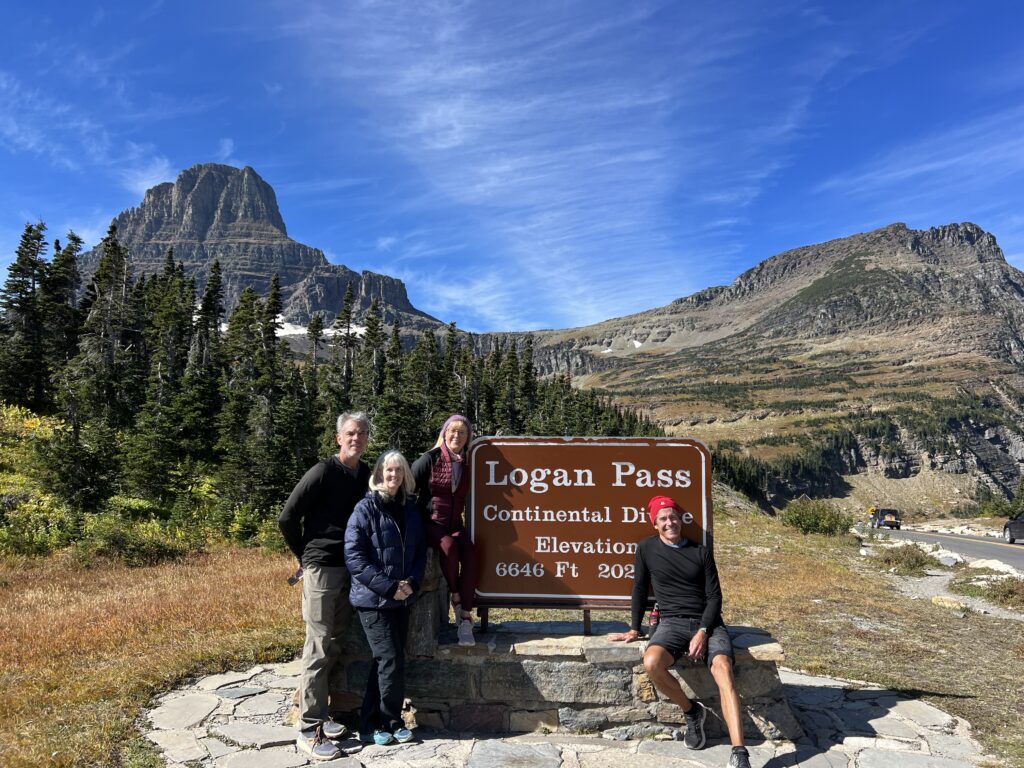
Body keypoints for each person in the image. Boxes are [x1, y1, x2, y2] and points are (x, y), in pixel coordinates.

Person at [610, 495, 753, 768]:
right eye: (663, 518)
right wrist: (633, 627)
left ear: (681, 519)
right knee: (652, 662)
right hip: (672, 622)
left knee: (722, 668)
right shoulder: (646, 549)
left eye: (673, 517)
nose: (669, 522)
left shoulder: (700, 552)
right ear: (655, 524)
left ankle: (739, 753)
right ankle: (692, 712)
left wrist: (702, 631)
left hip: (708, 623)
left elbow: (714, 598)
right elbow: (639, 589)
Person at [278, 412, 372, 761]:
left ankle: (324, 713)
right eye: (350, 433)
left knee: (335, 642)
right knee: (317, 644)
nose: (356, 438)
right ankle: (308, 729)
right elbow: (287, 517)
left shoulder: (364, 474)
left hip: (350, 568)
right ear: (338, 438)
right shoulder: (322, 471)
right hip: (321, 568)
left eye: (362, 433)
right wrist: (306, 556)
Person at [345, 450, 427, 747]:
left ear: (405, 475)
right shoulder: (365, 509)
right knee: (389, 660)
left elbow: (419, 551)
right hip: (373, 600)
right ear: (379, 474)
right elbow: (354, 557)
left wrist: (413, 583)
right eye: (388, 470)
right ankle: (381, 723)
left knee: (388, 662)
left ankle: (377, 723)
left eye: (399, 471)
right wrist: (389, 587)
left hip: (402, 597)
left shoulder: (410, 507)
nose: (394, 476)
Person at [411, 414, 479, 646]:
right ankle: (456, 597)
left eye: (462, 432)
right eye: (453, 431)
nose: (456, 436)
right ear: (444, 433)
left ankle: (466, 617)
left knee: (470, 552)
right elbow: (408, 487)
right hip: (431, 524)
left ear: (468, 437)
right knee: (448, 547)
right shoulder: (430, 459)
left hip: (455, 525)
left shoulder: (469, 462)